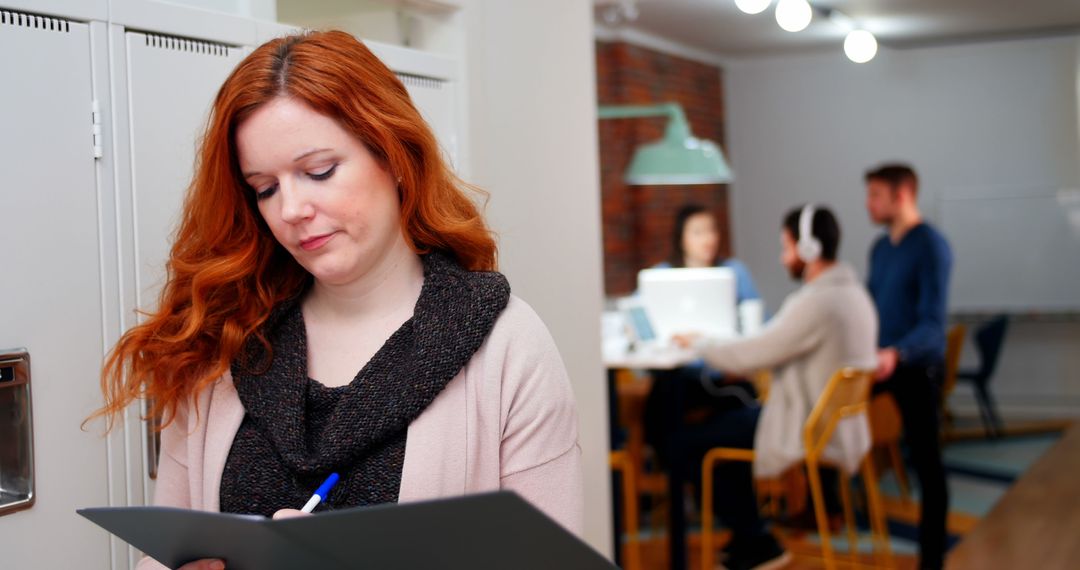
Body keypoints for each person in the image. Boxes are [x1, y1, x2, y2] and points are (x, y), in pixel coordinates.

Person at [93, 31, 583, 570]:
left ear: (394, 154)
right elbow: (166, 553)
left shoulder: (508, 347)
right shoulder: (227, 339)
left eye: (319, 171)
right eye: (265, 188)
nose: (292, 209)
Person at [674, 204, 878, 570]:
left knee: (686, 441)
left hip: (807, 427)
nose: (783, 257)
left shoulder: (816, 303)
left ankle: (755, 541)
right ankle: (750, 538)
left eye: (786, 247)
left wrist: (699, 345)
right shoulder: (855, 295)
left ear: (809, 249)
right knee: (732, 422)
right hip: (835, 425)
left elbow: (758, 351)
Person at [865, 163, 951, 570]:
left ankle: (931, 560)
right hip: (878, 364)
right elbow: (869, 309)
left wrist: (897, 354)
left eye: (876, 195)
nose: (869, 204)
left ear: (903, 195)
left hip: (915, 367)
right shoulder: (880, 249)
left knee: (927, 465)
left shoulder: (930, 245)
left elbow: (933, 325)